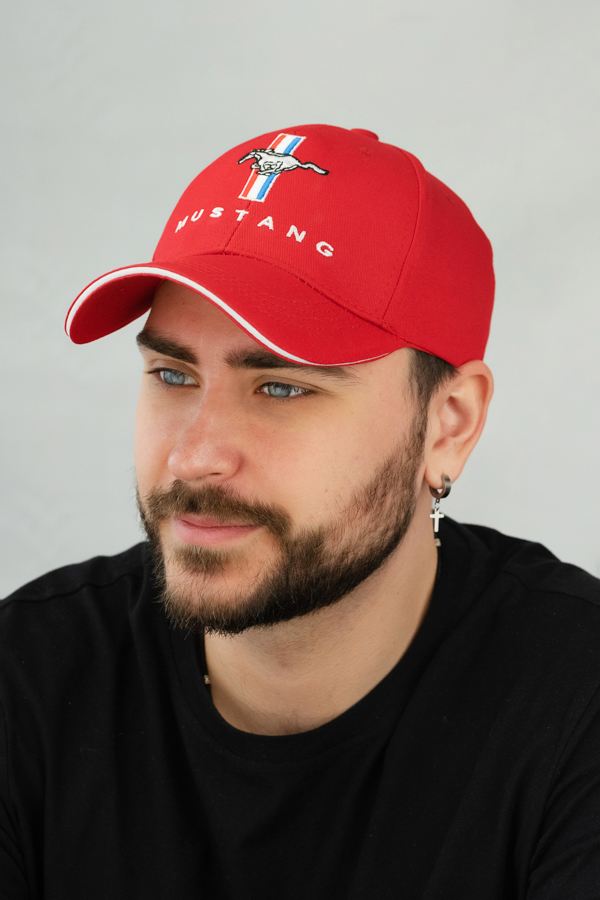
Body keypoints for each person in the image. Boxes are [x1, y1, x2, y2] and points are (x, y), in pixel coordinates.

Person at [1, 124, 599, 899]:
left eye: (282, 387)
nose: (193, 457)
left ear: (448, 425)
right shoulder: (29, 681)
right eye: (173, 375)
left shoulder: (574, 702)